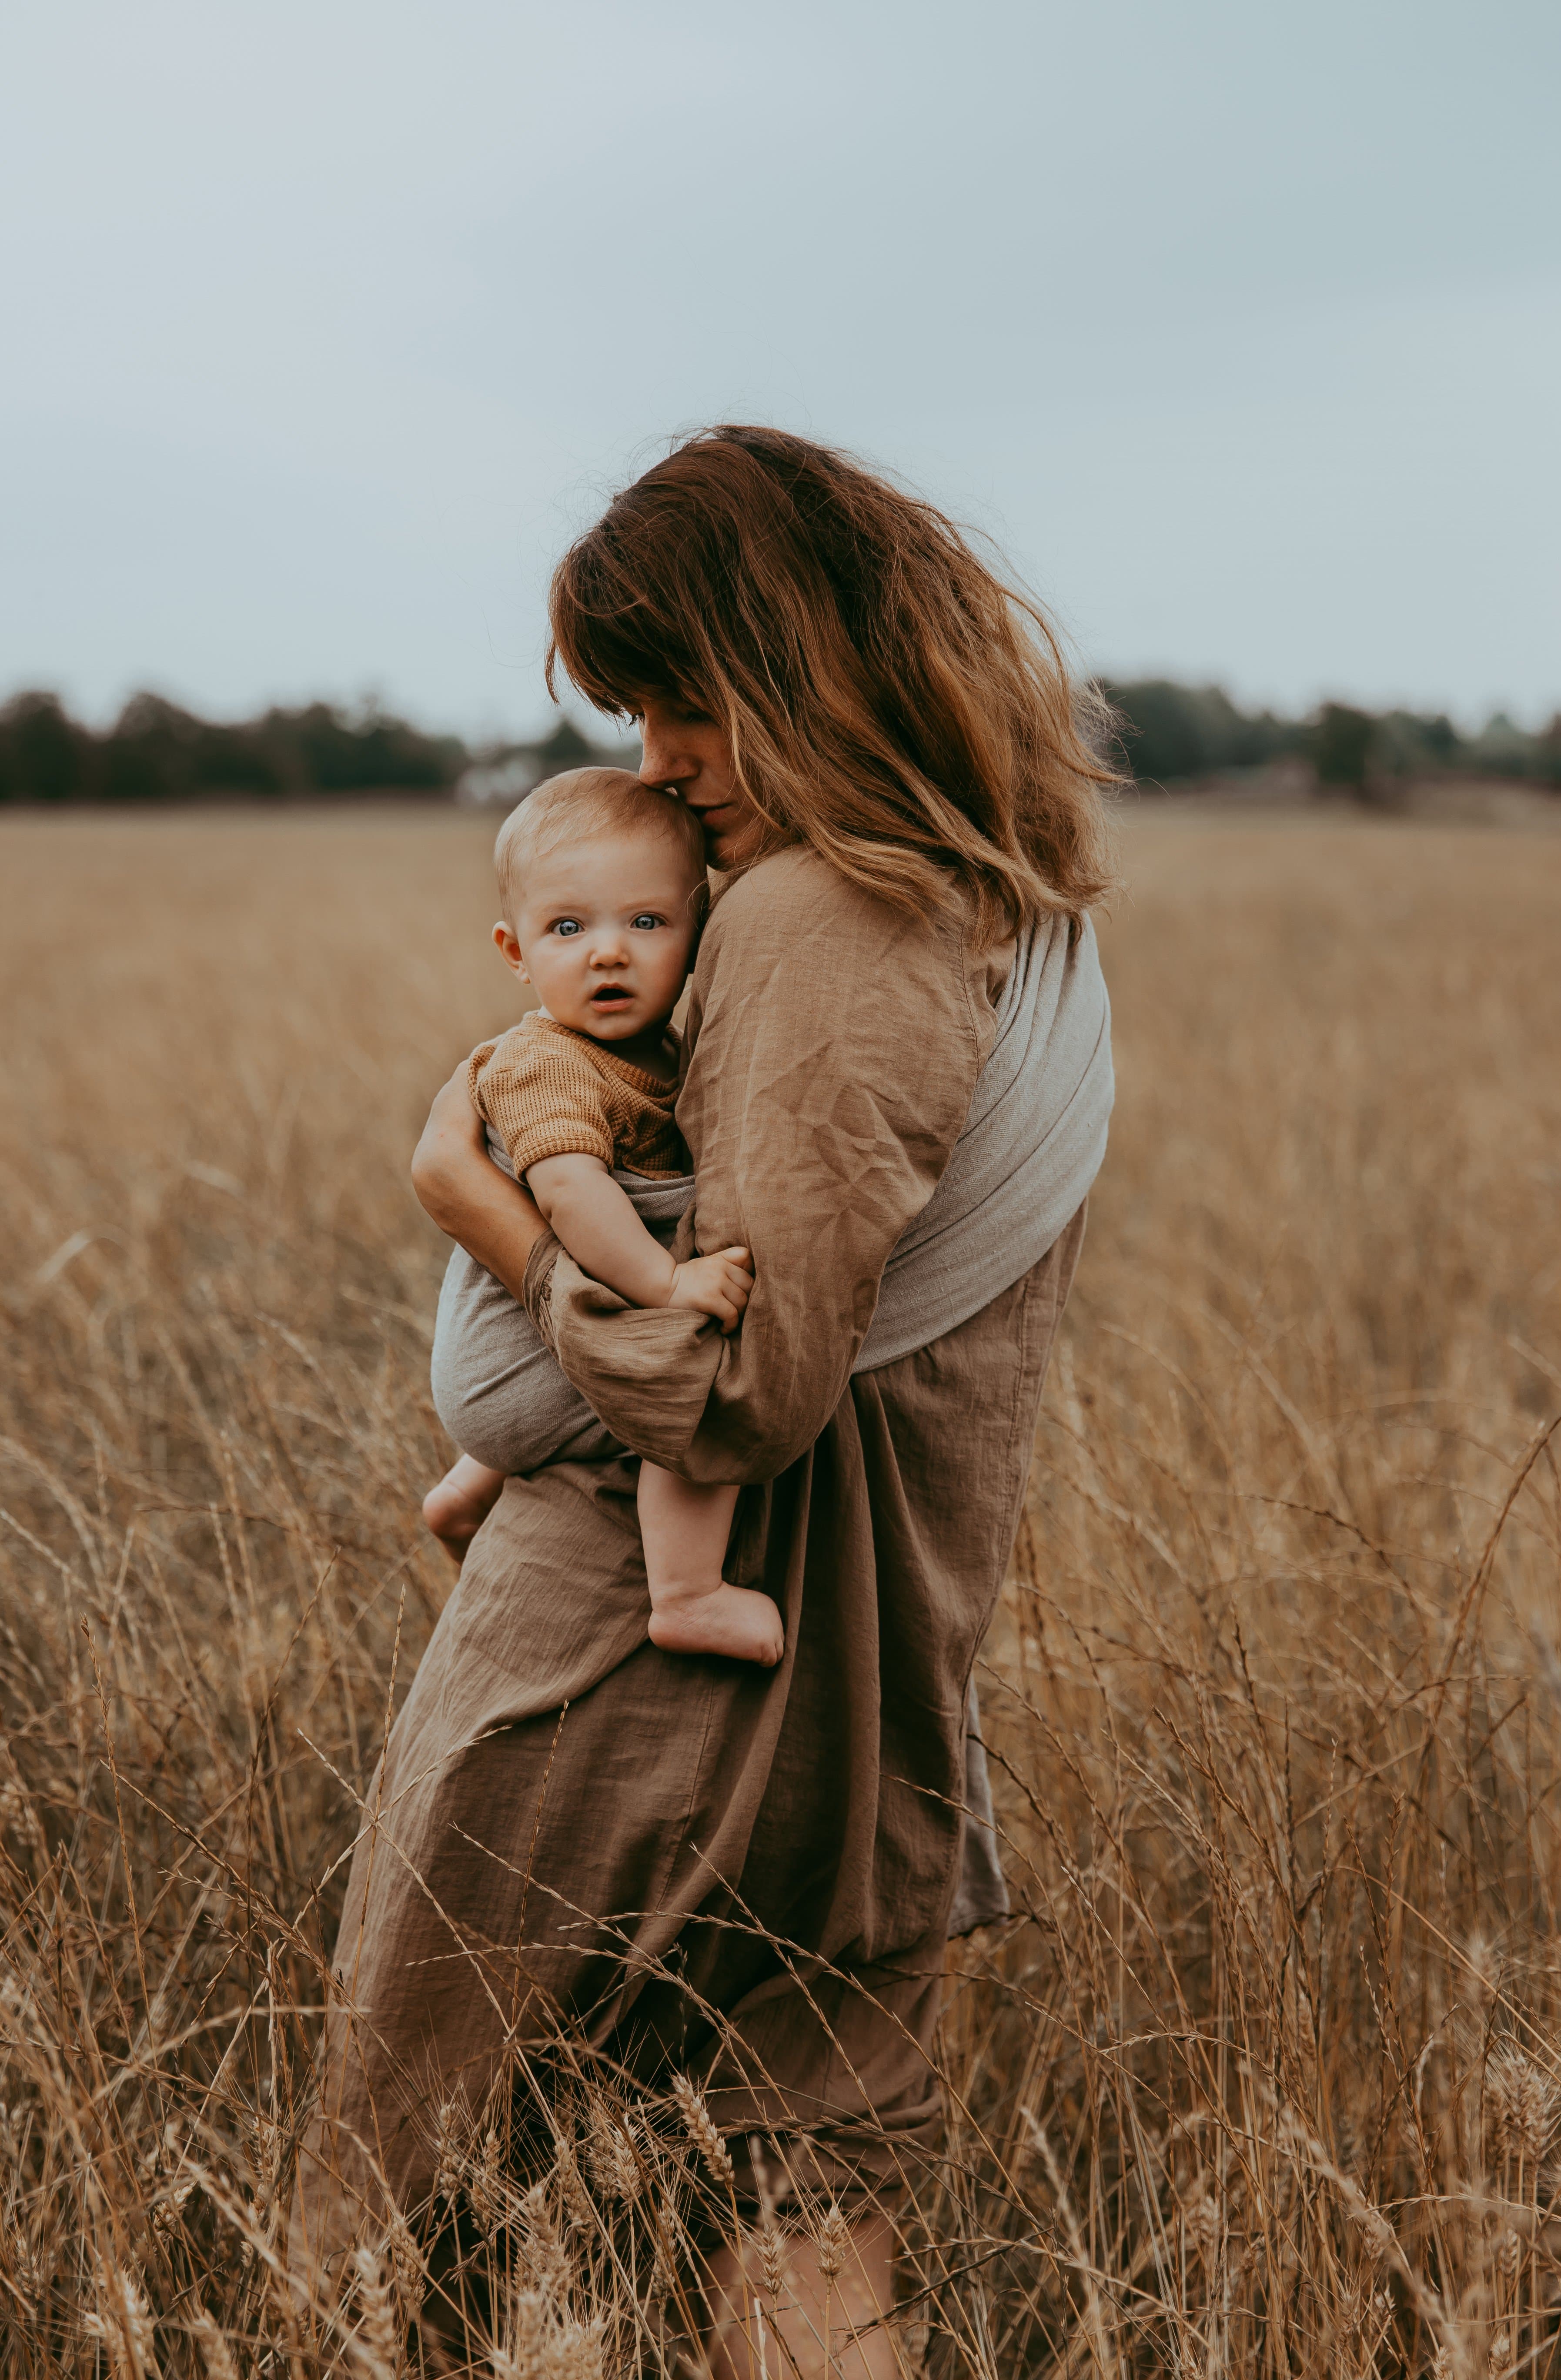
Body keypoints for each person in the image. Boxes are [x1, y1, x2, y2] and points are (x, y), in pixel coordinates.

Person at [294, 425, 1116, 2373]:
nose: (655, 755)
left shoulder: (830, 921)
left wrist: (481, 1214)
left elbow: (735, 1388)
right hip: (857, 1671)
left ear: (807, 661)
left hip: (641, 1692)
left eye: (685, 697)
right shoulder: (998, 900)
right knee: (796, 2219)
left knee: (424, 2222)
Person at [420, 762, 782, 1666]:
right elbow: (572, 1196)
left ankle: (467, 1490)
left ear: (696, 936)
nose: (607, 952)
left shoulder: (656, 1053)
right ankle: (688, 1592)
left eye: (646, 922)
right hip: (505, 1366)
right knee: (697, 1388)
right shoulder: (547, 1063)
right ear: (516, 951)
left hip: (513, 1359)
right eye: (568, 928)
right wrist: (670, 1282)